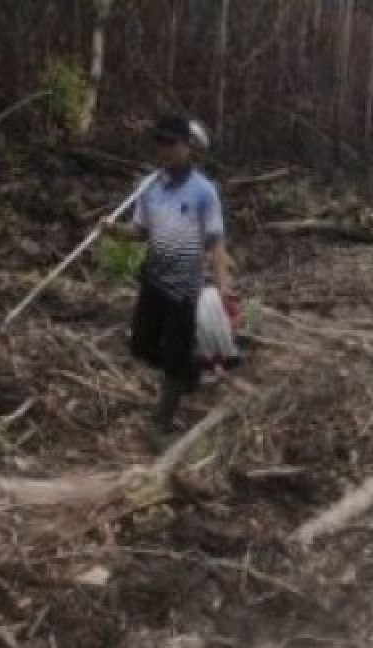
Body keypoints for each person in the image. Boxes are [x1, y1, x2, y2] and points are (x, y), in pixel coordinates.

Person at [104, 114, 233, 451]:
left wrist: (224, 290)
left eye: (170, 143)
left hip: (184, 290)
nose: (163, 150)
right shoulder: (149, 186)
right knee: (141, 346)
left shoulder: (204, 191)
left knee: (173, 355)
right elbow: (141, 231)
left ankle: (161, 423)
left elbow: (215, 241)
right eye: (159, 142)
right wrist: (113, 230)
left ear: (186, 146)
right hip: (153, 281)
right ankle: (188, 372)